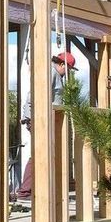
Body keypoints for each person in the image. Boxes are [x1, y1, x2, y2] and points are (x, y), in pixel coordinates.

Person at [14, 50, 77, 200]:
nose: (68, 73)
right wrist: (32, 117)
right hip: (39, 119)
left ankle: (35, 189)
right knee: (40, 154)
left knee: (43, 154)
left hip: (43, 119)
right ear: (62, 65)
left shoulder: (54, 74)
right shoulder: (51, 73)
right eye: (68, 69)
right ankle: (25, 191)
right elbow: (36, 95)